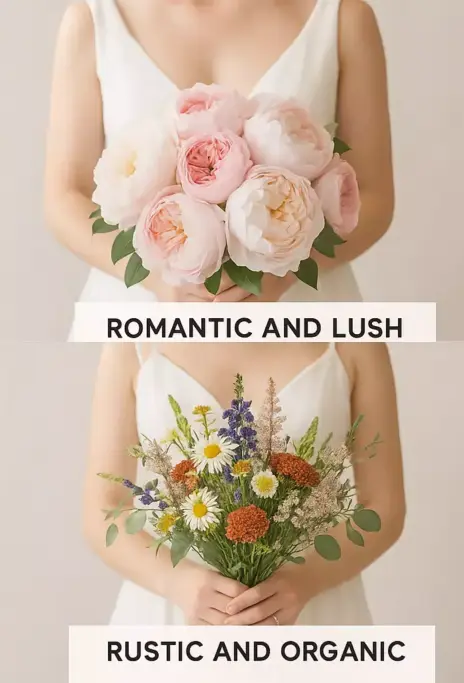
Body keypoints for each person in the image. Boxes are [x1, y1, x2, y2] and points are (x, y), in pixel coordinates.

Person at [45, 0, 394, 310]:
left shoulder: (343, 18)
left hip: (298, 311)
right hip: (140, 312)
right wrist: (156, 278)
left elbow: (373, 195)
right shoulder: (93, 21)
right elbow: (65, 196)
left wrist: (284, 274)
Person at [82, 341, 406, 625]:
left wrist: (305, 580)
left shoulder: (356, 343)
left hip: (309, 607)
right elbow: (104, 508)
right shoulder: (131, 345)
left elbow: (384, 507)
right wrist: (177, 583)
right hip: (172, 609)